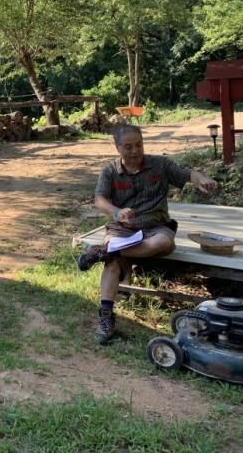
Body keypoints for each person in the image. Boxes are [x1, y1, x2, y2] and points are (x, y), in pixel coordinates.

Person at [78, 124, 218, 344]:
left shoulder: (160, 165)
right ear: (117, 147)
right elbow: (100, 200)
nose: (135, 151)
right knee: (112, 264)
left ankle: (103, 252)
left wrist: (202, 180)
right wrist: (116, 212)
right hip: (122, 228)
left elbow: (188, 173)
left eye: (139, 145)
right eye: (128, 147)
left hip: (156, 226)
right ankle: (106, 318)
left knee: (160, 243)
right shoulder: (110, 171)